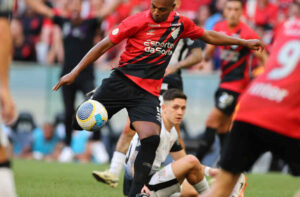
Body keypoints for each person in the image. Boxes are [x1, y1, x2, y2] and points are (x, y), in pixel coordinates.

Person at [52, 0, 264, 195]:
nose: (155, 11)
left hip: (147, 93)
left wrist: (244, 42)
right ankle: (83, 142)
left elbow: (209, 36)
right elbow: (104, 44)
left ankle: (137, 192)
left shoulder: (181, 24)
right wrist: (75, 72)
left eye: (161, 9)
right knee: (79, 122)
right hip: (121, 82)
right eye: (153, 6)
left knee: (151, 138)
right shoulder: (137, 20)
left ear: (172, 7)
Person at [202, 1, 300, 196]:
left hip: (251, 103)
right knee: (215, 122)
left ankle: (202, 162)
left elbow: (270, 61)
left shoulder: (289, 25)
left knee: (220, 189)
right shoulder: (224, 27)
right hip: (283, 114)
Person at [122, 89, 246, 197]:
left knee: (192, 192)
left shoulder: (171, 132)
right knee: (191, 160)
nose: (180, 112)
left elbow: (184, 160)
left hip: (151, 180)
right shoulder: (156, 130)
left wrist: (209, 171)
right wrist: (141, 185)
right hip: (140, 185)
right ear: (164, 108)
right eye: (175, 107)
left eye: (183, 108)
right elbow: (134, 162)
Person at [196, 0, 268, 163]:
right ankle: (227, 166)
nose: (233, 12)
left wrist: (263, 75)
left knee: (211, 122)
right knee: (223, 127)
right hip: (223, 83)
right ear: (225, 11)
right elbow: (208, 52)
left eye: (236, 9)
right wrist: (202, 60)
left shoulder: (247, 33)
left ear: (242, 12)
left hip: (236, 87)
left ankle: (194, 164)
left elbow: (265, 59)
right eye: (229, 9)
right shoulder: (219, 28)